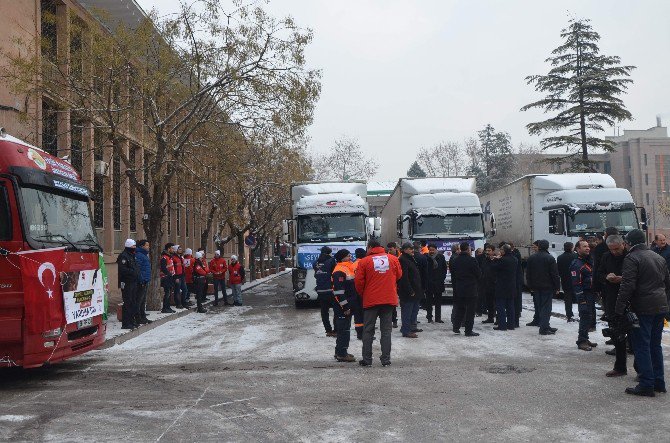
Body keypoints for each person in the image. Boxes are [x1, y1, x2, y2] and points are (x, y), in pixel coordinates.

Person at [615, 229, 670, 397]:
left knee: (642, 346)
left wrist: (619, 308)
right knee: (655, 345)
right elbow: (667, 282)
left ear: (629, 243)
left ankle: (646, 383)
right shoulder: (658, 257)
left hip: (643, 308)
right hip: (660, 306)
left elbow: (627, 285)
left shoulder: (632, 258)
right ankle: (658, 382)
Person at [354, 239, 402, 367]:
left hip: (371, 300)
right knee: (386, 331)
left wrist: (363, 294)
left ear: (369, 247)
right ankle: (386, 360)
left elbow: (358, 282)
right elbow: (399, 275)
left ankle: (367, 359)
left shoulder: (364, 261)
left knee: (368, 330)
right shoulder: (393, 259)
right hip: (388, 299)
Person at [597, 235, 628, 376]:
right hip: (612, 299)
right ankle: (620, 367)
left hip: (629, 300)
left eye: (617, 248)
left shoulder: (630, 256)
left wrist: (623, 279)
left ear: (623, 244)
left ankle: (641, 369)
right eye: (612, 249)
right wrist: (606, 277)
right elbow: (599, 273)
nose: (615, 252)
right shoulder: (606, 256)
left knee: (635, 335)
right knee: (616, 334)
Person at [526, 239, 560, 335]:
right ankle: (544, 328)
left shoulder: (531, 258)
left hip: (536, 287)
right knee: (546, 308)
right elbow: (554, 274)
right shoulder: (550, 258)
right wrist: (557, 287)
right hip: (547, 286)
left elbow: (528, 274)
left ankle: (545, 325)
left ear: (539, 246)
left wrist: (530, 286)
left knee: (540, 306)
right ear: (547, 247)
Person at [331, 249, 358, 362]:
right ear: (342, 258)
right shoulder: (339, 271)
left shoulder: (347, 268)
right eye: (348, 256)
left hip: (347, 305)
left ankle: (340, 352)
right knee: (344, 330)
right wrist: (345, 307)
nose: (350, 257)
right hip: (342, 307)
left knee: (345, 329)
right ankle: (342, 353)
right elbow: (338, 292)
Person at [450, 242, 482, 336]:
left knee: (460, 308)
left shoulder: (455, 260)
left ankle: (456, 327)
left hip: (459, 287)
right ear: (468, 249)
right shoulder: (472, 260)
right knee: (470, 311)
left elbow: (454, 274)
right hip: (471, 288)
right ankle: (468, 330)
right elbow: (478, 274)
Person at [571, 239, 598, 351]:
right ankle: (581, 341)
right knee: (585, 316)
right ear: (578, 249)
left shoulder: (587, 261)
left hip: (590, 294)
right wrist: (581, 300)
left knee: (589, 317)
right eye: (584, 246)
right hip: (584, 294)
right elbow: (576, 284)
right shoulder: (576, 264)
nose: (587, 248)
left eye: (588, 246)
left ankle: (585, 338)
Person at [397, 242, 423, 338]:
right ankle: (406, 330)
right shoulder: (403, 260)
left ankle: (412, 327)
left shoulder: (410, 258)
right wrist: (410, 290)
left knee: (414, 310)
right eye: (409, 248)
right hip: (408, 292)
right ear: (404, 250)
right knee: (407, 312)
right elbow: (404, 278)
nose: (412, 250)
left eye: (412, 248)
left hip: (415, 290)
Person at [594, 227, 619, 322]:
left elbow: (597, 268)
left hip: (607, 284)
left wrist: (597, 286)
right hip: (613, 283)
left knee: (609, 305)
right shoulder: (624, 246)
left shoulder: (600, 248)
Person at [490, 244, 517, 331]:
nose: (499, 251)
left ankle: (502, 325)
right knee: (510, 307)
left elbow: (493, 268)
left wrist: (494, 260)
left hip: (502, 286)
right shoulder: (514, 259)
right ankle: (511, 325)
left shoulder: (502, 260)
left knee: (500, 307)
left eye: (501, 249)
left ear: (504, 251)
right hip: (511, 285)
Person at [313, 246, 337, 337]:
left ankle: (328, 331)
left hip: (320, 290)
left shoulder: (315, 262)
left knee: (324, 311)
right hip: (331, 290)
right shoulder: (331, 261)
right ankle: (335, 330)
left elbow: (316, 275)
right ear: (329, 253)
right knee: (336, 310)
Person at [117, 239, 140, 329]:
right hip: (127, 282)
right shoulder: (123, 256)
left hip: (133, 281)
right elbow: (123, 269)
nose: (134, 248)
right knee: (127, 302)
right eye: (133, 247)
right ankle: (126, 323)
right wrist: (133, 272)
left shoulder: (132, 255)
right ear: (128, 247)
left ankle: (131, 321)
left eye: (135, 246)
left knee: (133, 302)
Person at [424, 244, 447, 324]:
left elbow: (444, 269)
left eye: (433, 250)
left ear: (436, 250)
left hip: (438, 282)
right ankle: (429, 317)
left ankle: (438, 318)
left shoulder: (441, 257)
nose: (432, 251)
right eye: (430, 250)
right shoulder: (426, 258)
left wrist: (442, 278)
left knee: (438, 301)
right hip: (429, 283)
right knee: (429, 302)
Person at [557, 242, 577, 322]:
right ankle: (581, 313)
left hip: (565, 280)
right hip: (576, 279)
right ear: (572, 247)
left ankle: (569, 314)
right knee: (579, 297)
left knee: (567, 299)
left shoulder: (560, 257)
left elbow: (558, 270)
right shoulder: (576, 256)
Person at [135, 239, 152, 324]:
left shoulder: (144, 255)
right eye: (147, 245)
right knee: (139, 300)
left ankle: (143, 316)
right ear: (142, 246)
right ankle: (138, 318)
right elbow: (138, 269)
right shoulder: (139, 255)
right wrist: (141, 280)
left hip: (145, 280)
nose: (148, 247)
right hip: (141, 281)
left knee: (143, 300)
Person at [352, 248, 367, 339]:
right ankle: (365, 333)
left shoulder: (352, 265)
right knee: (365, 313)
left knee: (357, 313)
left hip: (354, 292)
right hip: (364, 291)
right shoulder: (365, 263)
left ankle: (359, 333)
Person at [481, 244, 497, 324]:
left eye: (489, 250)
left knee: (496, 303)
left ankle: (498, 319)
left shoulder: (497, 259)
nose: (487, 252)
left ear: (493, 251)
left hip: (495, 284)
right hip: (486, 284)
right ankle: (490, 318)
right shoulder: (485, 259)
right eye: (486, 250)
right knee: (489, 302)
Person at [509, 242, 523, 326]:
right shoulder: (515, 255)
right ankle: (515, 320)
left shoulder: (515, 255)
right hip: (515, 280)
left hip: (516, 281)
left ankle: (515, 320)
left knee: (516, 300)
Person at [159, 243, 176, 313]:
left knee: (169, 293)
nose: (173, 250)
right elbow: (163, 268)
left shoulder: (169, 257)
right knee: (167, 293)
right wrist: (168, 274)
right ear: (168, 249)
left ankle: (168, 307)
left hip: (170, 277)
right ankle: (165, 308)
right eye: (172, 248)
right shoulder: (164, 257)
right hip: (165, 277)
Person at [387, 242, 400, 328]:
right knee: (391, 304)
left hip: (398, 282)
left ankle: (394, 319)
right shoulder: (386, 258)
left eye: (391, 249)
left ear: (395, 248)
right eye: (388, 249)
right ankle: (393, 320)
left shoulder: (400, 256)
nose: (389, 251)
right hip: (390, 283)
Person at [171, 245, 185, 309]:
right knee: (177, 291)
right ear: (176, 250)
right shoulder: (173, 258)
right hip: (177, 276)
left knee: (185, 289)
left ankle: (183, 302)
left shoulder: (181, 257)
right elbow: (173, 268)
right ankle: (178, 304)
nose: (181, 250)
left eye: (181, 249)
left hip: (182, 275)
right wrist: (175, 277)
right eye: (179, 249)